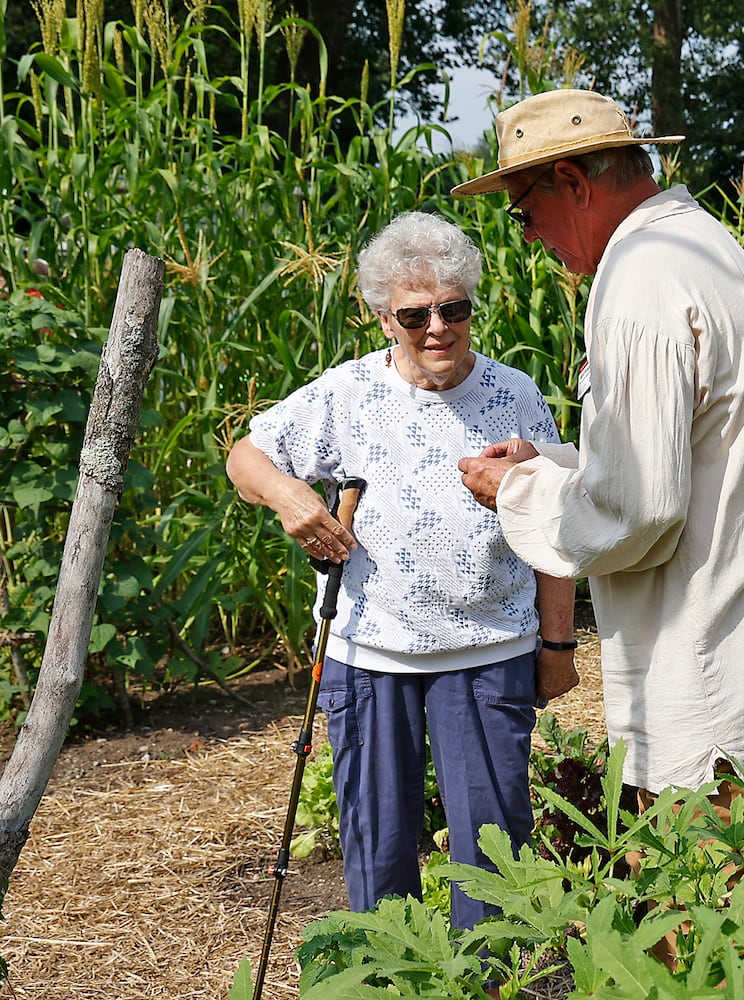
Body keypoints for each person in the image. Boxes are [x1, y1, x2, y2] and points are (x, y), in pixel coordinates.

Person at [451, 89, 744, 814]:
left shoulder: (639, 282)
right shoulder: (700, 246)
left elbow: (639, 510)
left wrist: (514, 492)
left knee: (697, 892)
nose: (529, 236)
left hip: (702, 642)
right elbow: (690, 453)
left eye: (524, 212)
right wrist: (549, 462)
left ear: (572, 181)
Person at [226, 211, 578, 932]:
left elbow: (556, 531)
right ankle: (389, 979)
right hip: (368, 652)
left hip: (488, 653)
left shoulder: (514, 396)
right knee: (377, 847)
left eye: (455, 309)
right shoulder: (344, 394)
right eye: (416, 314)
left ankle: (484, 983)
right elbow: (244, 457)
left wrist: (558, 646)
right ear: (384, 318)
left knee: (494, 854)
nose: (438, 328)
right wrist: (290, 494)